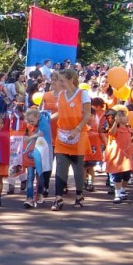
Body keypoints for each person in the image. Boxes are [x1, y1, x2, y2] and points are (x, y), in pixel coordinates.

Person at [50, 68, 91, 211]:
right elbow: (60, 113)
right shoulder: (61, 94)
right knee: (61, 167)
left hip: (78, 135)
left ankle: (79, 195)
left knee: (78, 168)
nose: (59, 83)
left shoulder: (82, 94)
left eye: (61, 80)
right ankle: (58, 198)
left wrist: (77, 129)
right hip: (62, 135)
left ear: (70, 80)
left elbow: (87, 115)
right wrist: (46, 117)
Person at [104, 106, 133, 204]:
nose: (127, 118)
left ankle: (123, 190)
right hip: (117, 155)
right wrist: (115, 122)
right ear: (119, 118)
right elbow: (111, 133)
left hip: (127, 155)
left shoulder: (129, 128)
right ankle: (117, 194)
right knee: (117, 175)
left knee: (126, 175)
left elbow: (131, 138)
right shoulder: (115, 128)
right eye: (125, 117)